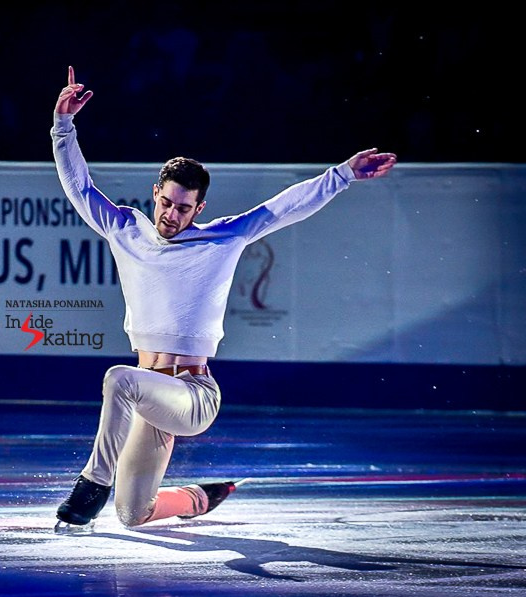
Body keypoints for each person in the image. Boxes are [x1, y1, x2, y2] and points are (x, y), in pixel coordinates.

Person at [51, 65, 396, 530]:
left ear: (200, 208)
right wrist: (63, 126)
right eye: (167, 202)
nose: (172, 214)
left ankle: (91, 486)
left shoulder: (222, 238)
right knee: (134, 514)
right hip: (151, 396)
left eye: (184, 207)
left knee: (119, 378)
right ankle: (201, 496)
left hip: (193, 395)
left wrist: (343, 175)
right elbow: (80, 189)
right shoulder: (126, 229)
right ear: (155, 193)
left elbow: (283, 208)